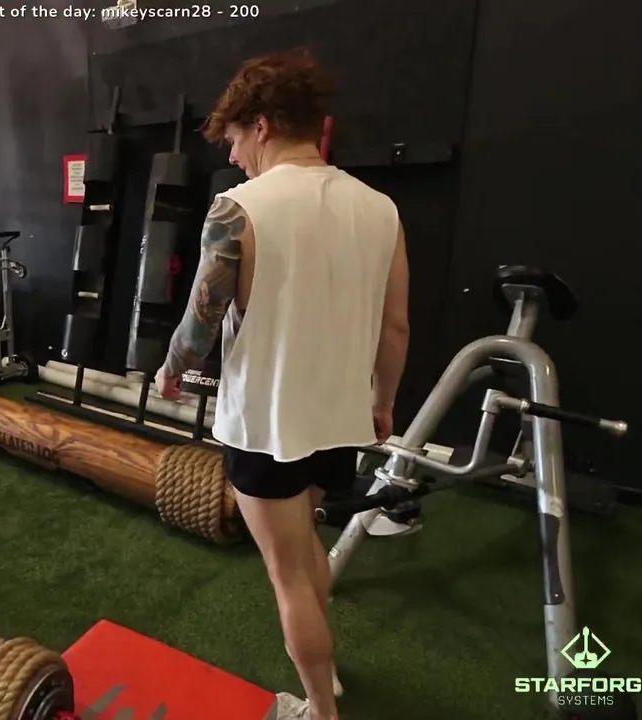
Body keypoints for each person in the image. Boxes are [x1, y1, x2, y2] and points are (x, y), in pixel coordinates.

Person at [155, 49, 410, 720]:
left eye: (235, 138)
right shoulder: (380, 209)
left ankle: (320, 708)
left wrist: (170, 370)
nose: (233, 154)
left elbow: (200, 323)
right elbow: (396, 329)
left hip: (264, 424)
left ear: (262, 124)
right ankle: (328, 676)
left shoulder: (237, 209)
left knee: (288, 573)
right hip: (339, 420)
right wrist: (382, 403)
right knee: (305, 552)